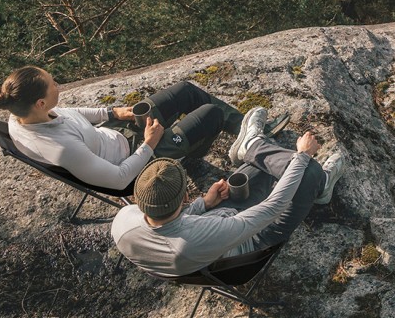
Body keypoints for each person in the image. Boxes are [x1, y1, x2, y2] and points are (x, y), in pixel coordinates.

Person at [112, 107, 347, 277]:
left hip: (205, 250)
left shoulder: (122, 222)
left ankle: (252, 146)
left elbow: (167, 225)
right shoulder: (203, 234)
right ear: (184, 197)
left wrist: (203, 204)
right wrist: (303, 155)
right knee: (308, 171)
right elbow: (274, 207)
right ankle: (320, 184)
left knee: (262, 166)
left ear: (139, 201)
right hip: (252, 246)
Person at [0, 65, 278, 192]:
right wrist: (150, 143)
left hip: (116, 133)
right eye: (53, 85)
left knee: (186, 90)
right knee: (211, 114)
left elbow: (69, 113)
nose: (58, 85)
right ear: (40, 102)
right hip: (138, 161)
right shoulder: (62, 148)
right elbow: (119, 180)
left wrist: (113, 112)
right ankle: (208, 151)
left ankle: (249, 131)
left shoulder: (21, 114)